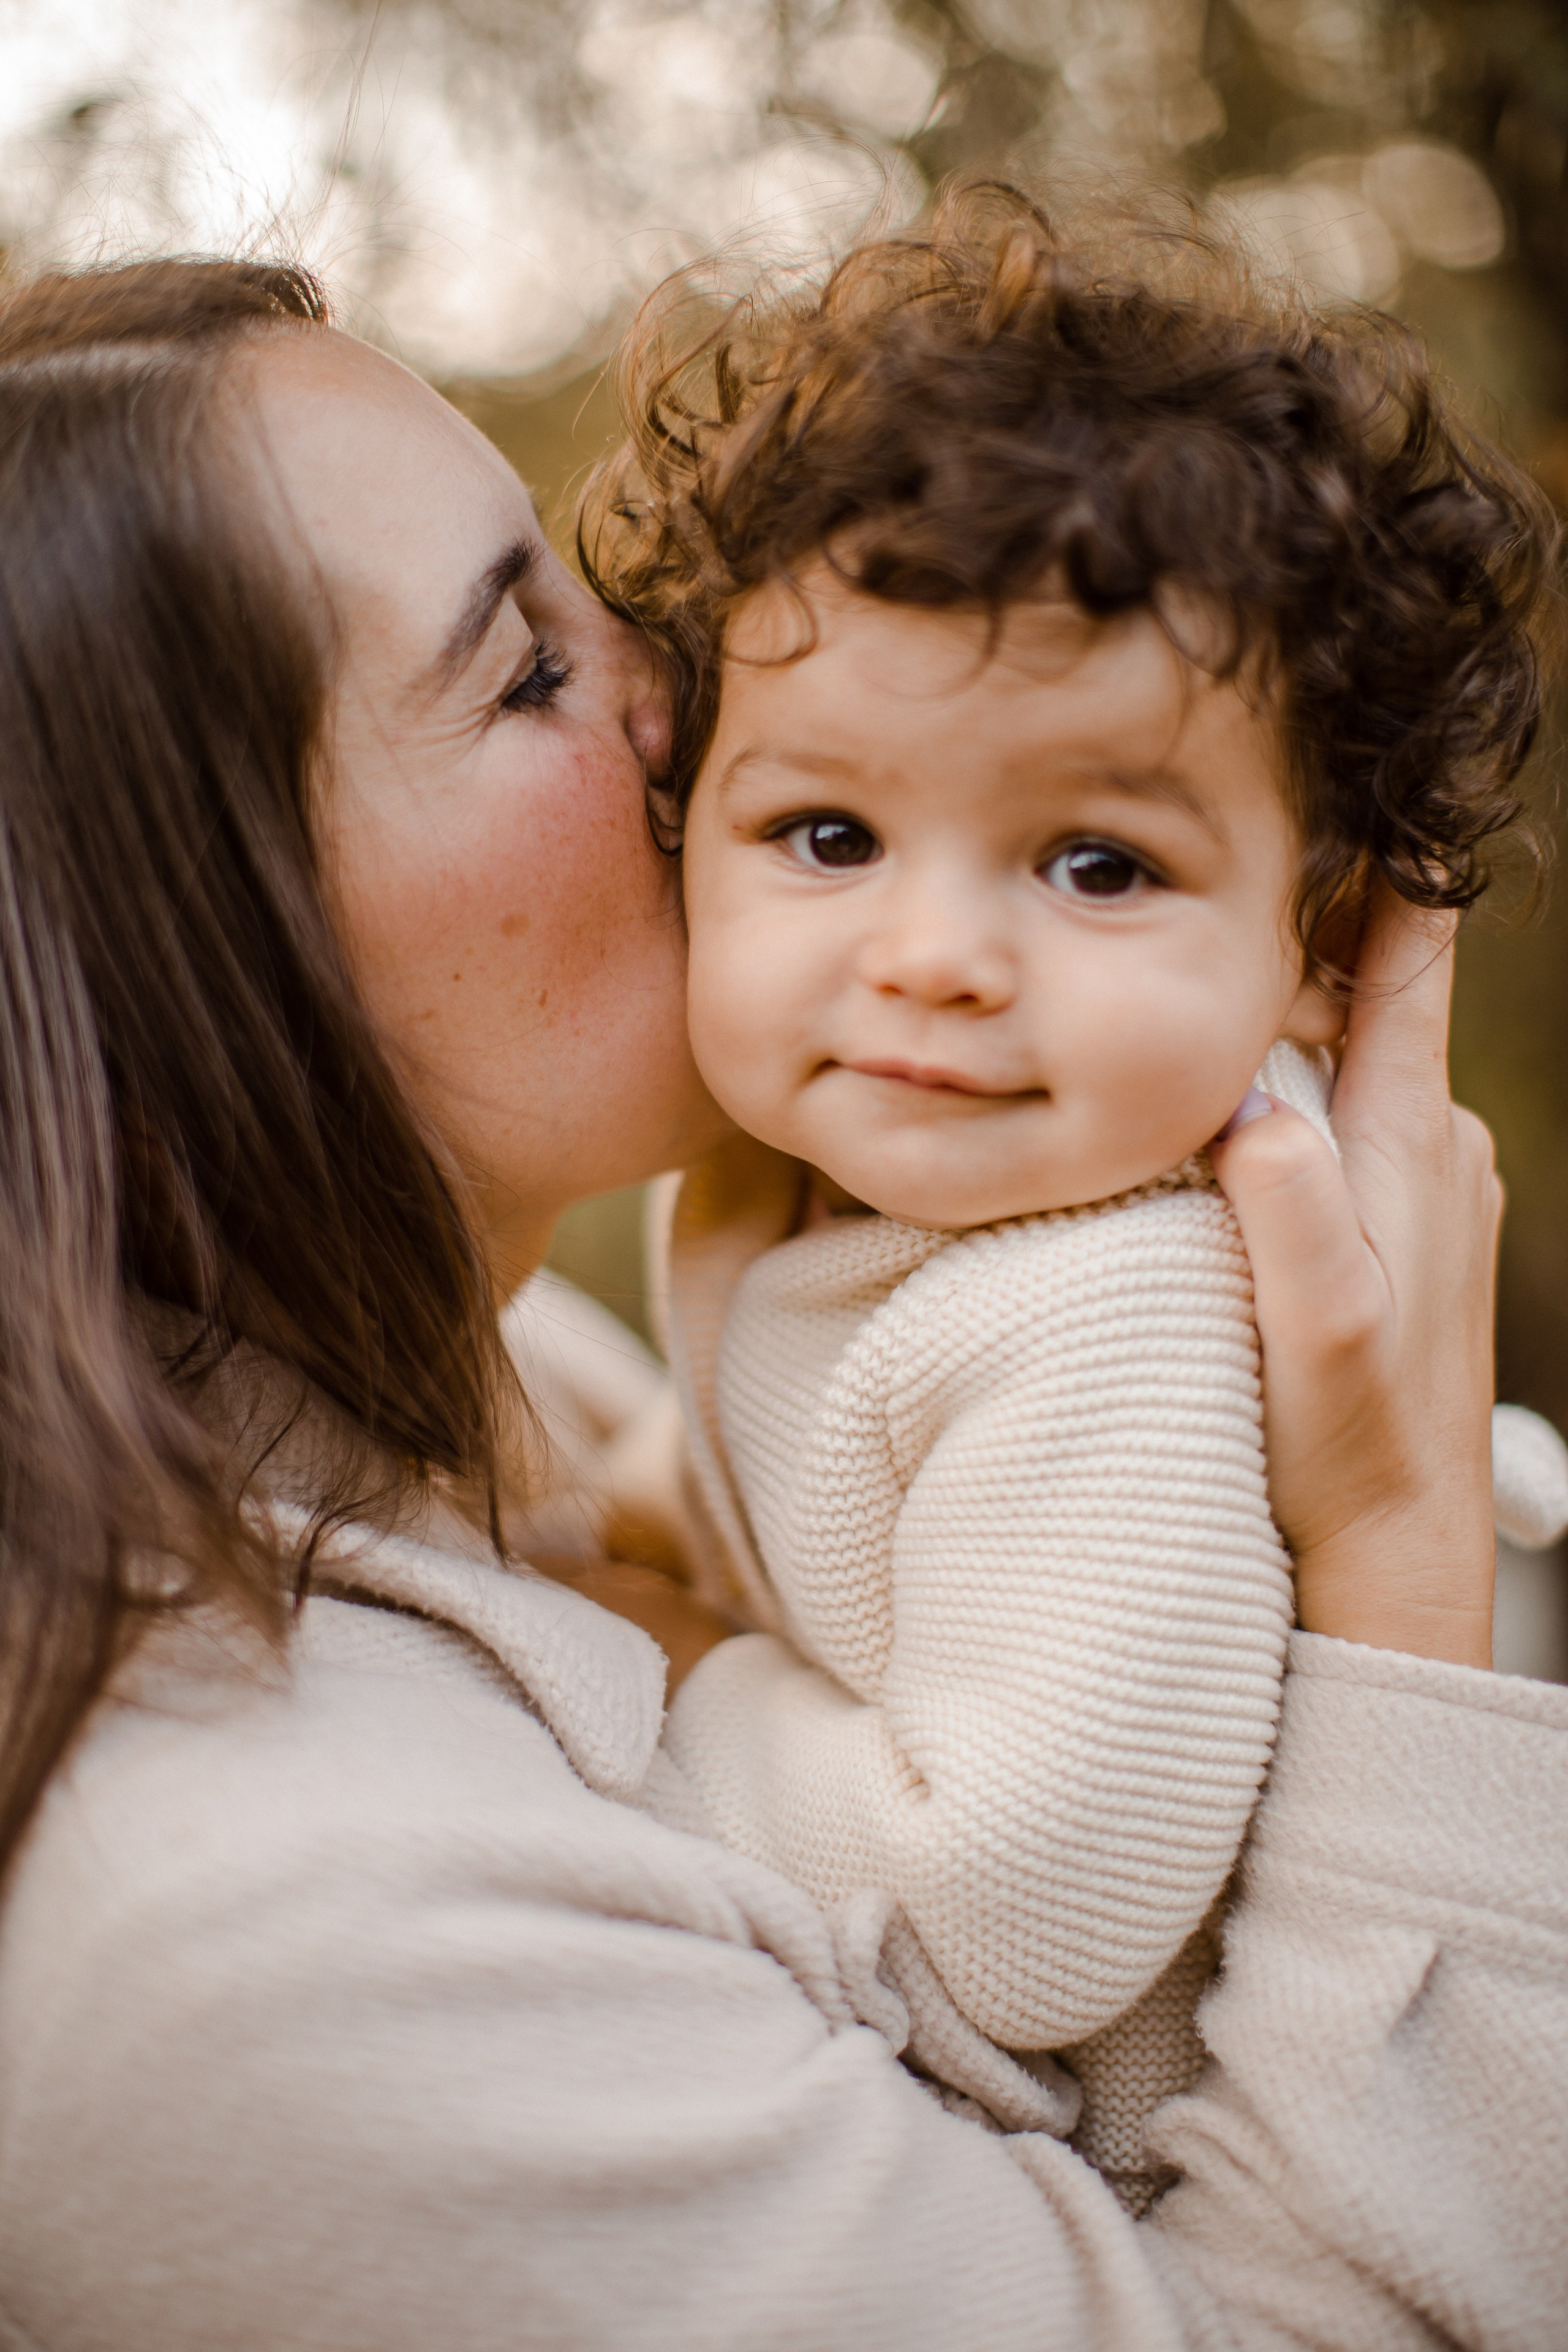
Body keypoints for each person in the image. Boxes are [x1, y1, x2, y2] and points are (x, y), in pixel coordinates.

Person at [0, 249, 1561, 2352]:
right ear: (189, 950)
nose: (681, 684)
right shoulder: (267, 1940)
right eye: (524, 669)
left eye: (1095, 860)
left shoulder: (519, 1346)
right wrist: (1398, 1553)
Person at [579, 189, 1568, 2214]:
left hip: (1155, 2192)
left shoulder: (1109, 1317)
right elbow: (828, 1458)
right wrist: (659, 1494)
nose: (935, 952)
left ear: (1317, 942)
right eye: (830, 830)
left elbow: (1022, 1908)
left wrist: (665, 1658)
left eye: (1098, 865)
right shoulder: (851, 1188)